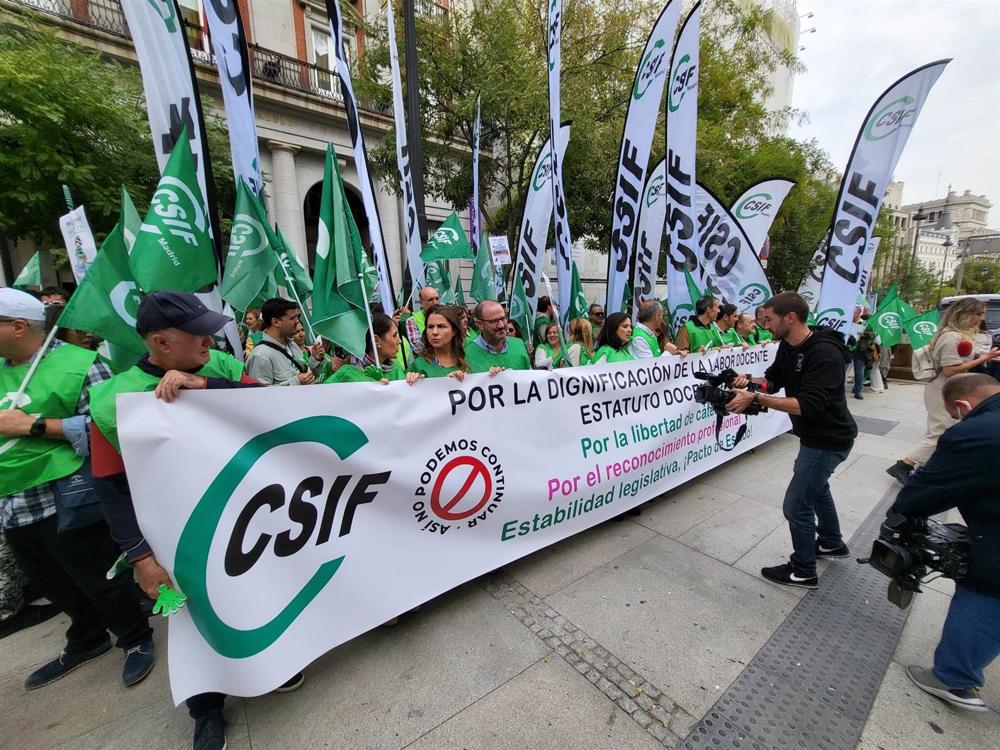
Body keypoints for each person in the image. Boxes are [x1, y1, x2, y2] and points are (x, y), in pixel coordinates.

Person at [87, 291, 303, 750]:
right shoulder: (111, 399)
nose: (209, 338)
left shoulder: (222, 368)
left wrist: (205, 387)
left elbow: (271, 406)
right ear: (161, 343)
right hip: (176, 536)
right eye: (197, 331)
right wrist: (140, 556)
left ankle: (273, 661)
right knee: (189, 618)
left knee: (259, 592)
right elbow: (109, 485)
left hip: (249, 517)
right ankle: (205, 710)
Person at [0, 288, 154, 690]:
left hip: (66, 499)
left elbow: (108, 426)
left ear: (18, 327)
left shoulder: (81, 365)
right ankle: (86, 638)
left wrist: (34, 426)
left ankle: (135, 638)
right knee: (53, 583)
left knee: (99, 578)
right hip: (14, 503)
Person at [728, 291, 857, 589]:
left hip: (829, 439)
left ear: (791, 317)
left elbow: (807, 404)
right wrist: (750, 380)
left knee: (796, 505)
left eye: (769, 320)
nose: (765, 325)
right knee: (818, 487)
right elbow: (774, 379)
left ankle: (803, 570)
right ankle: (831, 542)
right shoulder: (787, 346)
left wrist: (756, 397)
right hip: (813, 437)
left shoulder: (825, 353)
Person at [891, 374, 1000, 712]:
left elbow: (927, 489)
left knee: (985, 589)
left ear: (963, 406)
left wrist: (901, 514)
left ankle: (954, 677)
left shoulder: (976, 432)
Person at [887, 299, 1000, 483]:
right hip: (943, 390)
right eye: (978, 314)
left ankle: (924, 467)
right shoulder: (951, 337)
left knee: (943, 431)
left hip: (949, 389)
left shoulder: (956, 335)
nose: (981, 319)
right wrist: (984, 358)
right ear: (965, 314)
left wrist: (983, 357)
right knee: (940, 433)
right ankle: (904, 465)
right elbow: (950, 369)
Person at [245, 298, 324, 386]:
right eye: (292, 318)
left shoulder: (292, 345)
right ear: (276, 322)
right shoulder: (261, 355)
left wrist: (315, 360)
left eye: (298, 317)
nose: (297, 321)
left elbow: (307, 375)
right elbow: (260, 395)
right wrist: (296, 382)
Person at [323, 313, 406, 384]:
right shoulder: (346, 374)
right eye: (394, 335)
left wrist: (413, 381)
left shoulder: (396, 369)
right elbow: (322, 396)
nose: (400, 341)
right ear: (376, 340)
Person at [465, 300, 532, 373]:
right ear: (479, 324)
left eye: (503, 319)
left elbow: (529, 377)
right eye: (494, 321)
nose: (501, 325)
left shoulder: (519, 344)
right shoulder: (467, 354)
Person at [406, 305, 468, 380]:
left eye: (441, 326)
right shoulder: (417, 366)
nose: (434, 332)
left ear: (454, 331)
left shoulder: (471, 359)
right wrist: (410, 381)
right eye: (430, 327)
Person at [405, 287, 441, 354]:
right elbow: (418, 348)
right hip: (427, 360)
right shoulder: (412, 320)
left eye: (437, 298)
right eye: (430, 300)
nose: (435, 302)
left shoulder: (447, 316)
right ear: (421, 303)